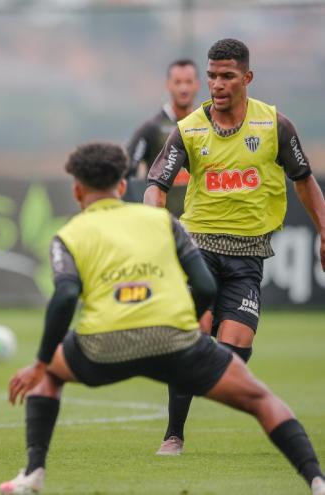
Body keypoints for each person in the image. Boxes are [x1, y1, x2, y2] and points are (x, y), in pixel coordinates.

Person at [0, 142, 325, 495]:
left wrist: (40, 362)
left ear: (77, 191)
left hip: (102, 344)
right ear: (122, 187)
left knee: (47, 378)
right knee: (262, 400)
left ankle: (33, 473)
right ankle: (316, 480)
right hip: (175, 339)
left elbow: (63, 298)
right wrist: (187, 320)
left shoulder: (68, 235)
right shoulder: (163, 221)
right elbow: (204, 284)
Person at [144, 38, 325, 457]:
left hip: (248, 255)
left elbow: (304, 180)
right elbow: (156, 186)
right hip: (197, 248)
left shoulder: (274, 125)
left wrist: (323, 232)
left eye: (227, 76)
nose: (217, 84)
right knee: (194, 336)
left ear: (247, 77)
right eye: (212, 76)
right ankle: (173, 434)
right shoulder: (189, 129)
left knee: (234, 351)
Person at [126, 59, 200, 182]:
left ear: (197, 85)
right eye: (178, 82)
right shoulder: (151, 128)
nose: (183, 88)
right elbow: (128, 171)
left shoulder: (206, 124)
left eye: (188, 82)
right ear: (168, 85)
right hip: (160, 201)